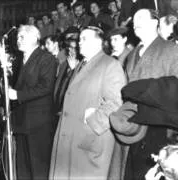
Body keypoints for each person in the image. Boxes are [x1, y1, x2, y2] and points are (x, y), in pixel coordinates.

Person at [109, 9, 178, 180]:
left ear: (154, 22)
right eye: (134, 20)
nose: (135, 23)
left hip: (159, 132)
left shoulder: (172, 51)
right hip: (132, 128)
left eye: (141, 18)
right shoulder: (132, 54)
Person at [49, 26, 126, 179]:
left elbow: (116, 103)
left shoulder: (110, 65)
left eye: (84, 39)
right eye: (79, 39)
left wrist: (93, 120)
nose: (79, 43)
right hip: (71, 140)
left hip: (88, 140)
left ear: (99, 43)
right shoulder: (81, 65)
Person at [6, 25, 57, 179]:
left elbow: (46, 87)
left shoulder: (46, 58)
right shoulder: (20, 60)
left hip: (38, 123)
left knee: (38, 167)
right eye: (18, 37)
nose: (18, 40)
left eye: (22, 37)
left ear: (35, 38)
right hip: (22, 122)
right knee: (23, 167)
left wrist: (18, 95)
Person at [53, 37, 81, 126]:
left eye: (74, 48)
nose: (70, 50)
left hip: (70, 112)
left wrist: (73, 70)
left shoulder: (82, 66)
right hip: (56, 109)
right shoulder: (64, 63)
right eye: (69, 47)